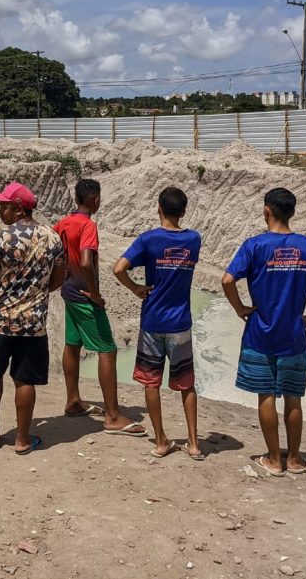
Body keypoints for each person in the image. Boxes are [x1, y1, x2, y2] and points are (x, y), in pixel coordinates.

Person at [221, 187, 306, 475]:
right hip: (294, 337)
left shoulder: (254, 246)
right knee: (293, 399)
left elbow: (228, 280)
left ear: (267, 210)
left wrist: (241, 309)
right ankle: (294, 460)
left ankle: (274, 460)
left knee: (266, 396)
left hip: (260, 336)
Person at [113, 187, 203, 459]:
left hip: (152, 321)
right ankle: (194, 444)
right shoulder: (193, 239)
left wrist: (135, 288)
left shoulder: (148, 240)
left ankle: (162, 441)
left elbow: (118, 268)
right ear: (184, 211)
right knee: (186, 384)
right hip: (180, 324)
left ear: (158, 209)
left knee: (151, 383)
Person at [0, 182, 65, 455]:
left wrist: (1, 292)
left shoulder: (1, 238)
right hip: (33, 324)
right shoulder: (52, 238)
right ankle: (23, 440)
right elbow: (58, 279)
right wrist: (34, 294)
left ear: (18, 208)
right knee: (24, 380)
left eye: (3, 205)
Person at [54, 179, 144, 436]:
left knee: (72, 344)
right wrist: (95, 294)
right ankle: (113, 416)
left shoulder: (63, 223)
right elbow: (85, 261)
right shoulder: (88, 225)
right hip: (84, 296)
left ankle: (73, 401)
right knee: (108, 349)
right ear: (95, 200)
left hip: (68, 292)